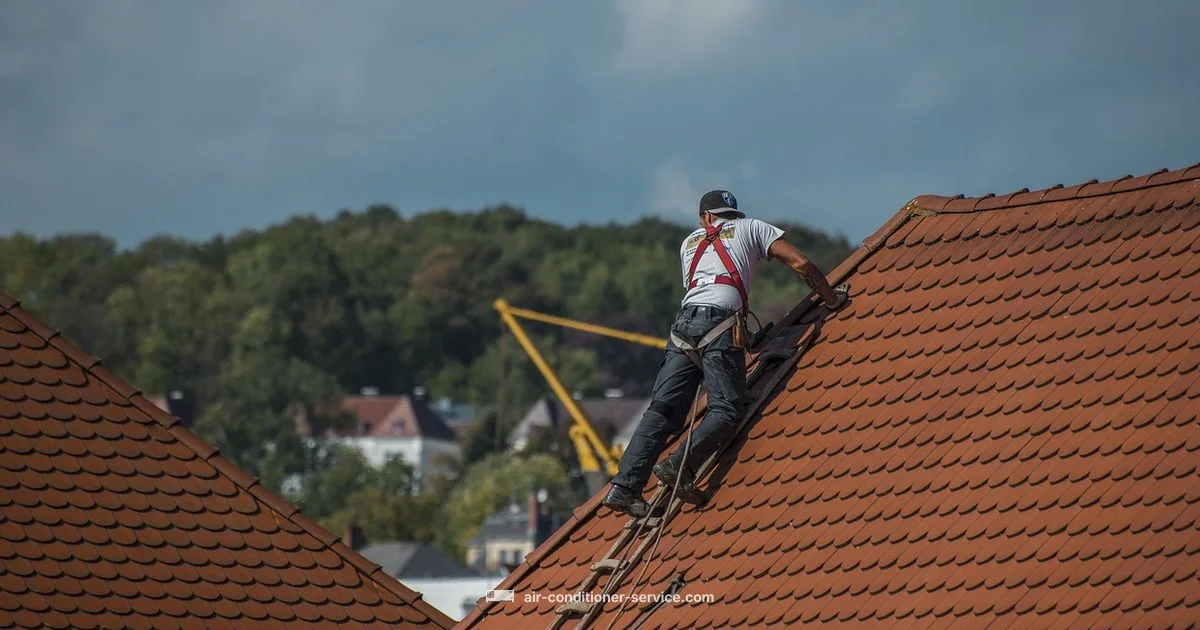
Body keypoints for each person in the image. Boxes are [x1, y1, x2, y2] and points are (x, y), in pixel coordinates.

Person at [602, 189, 846, 517]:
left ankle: (625, 487)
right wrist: (831, 299)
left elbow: (705, 287)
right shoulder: (753, 227)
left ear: (705, 218)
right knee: (726, 410)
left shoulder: (688, 243)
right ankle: (679, 465)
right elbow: (800, 263)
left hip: (683, 328)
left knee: (662, 411)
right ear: (730, 215)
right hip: (720, 322)